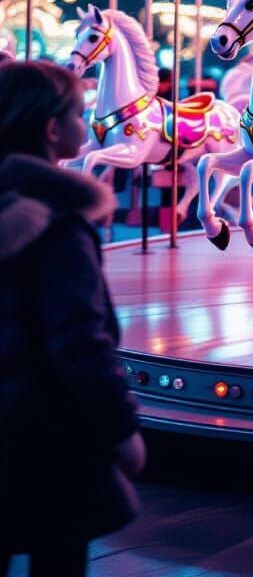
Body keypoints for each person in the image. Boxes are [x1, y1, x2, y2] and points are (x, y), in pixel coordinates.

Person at [0, 60, 145, 575]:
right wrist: (119, 429)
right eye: (80, 114)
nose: (88, 126)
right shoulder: (60, 224)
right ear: (52, 129)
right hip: (45, 434)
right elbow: (81, 342)